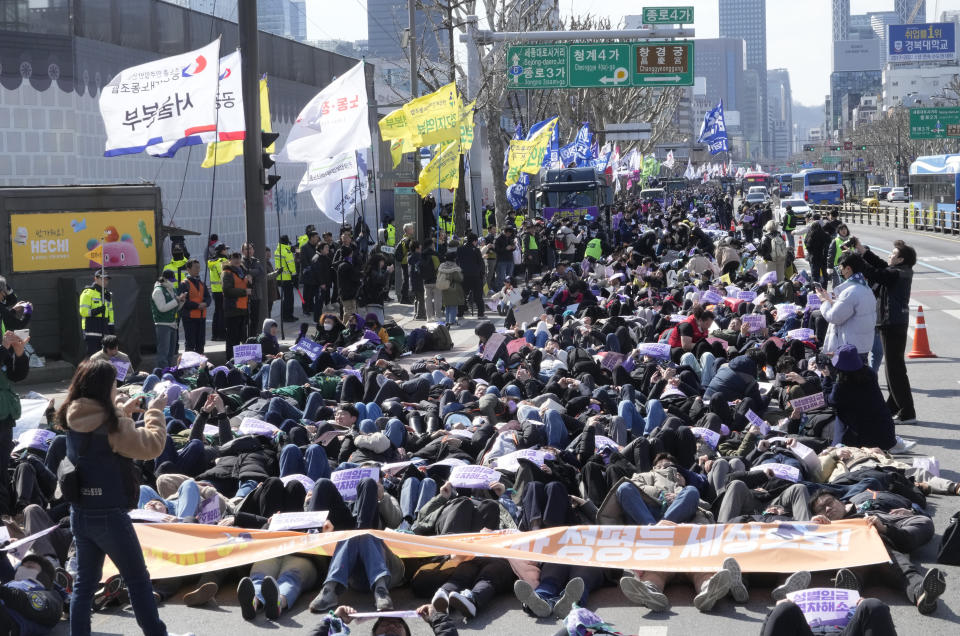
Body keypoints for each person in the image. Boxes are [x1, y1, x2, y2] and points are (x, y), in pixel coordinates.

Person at [60, 359, 188, 636]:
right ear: (105, 388)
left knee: (84, 584)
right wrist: (155, 413)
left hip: (80, 511)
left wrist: (122, 411)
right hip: (109, 514)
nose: (116, 389)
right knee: (138, 580)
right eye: (114, 385)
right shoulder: (113, 425)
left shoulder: (71, 412)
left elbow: (100, 424)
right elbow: (152, 446)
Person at [861, 240, 917, 425]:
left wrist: (857, 259)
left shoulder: (897, 274)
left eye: (893, 254)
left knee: (895, 370)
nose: (889, 256)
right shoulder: (900, 271)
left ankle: (907, 412)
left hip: (892, 323)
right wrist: (864, 252)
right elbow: (881, 266)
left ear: (900, 259)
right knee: (894, 368)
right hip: (894, 323)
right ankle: (893, 407)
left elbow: (876, 273)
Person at [816, 252, 877, 358]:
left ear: (848, 268)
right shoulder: (865, 288)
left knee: (849, 375)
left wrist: (823, 301)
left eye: (841, 268)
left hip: (850, 348)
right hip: (862, 345)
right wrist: (830, 301)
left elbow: (834, 317)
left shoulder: (850, 292)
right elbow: (849, 308)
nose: (840, 271)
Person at [0, 329, 28, 516]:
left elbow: (16, 375)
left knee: (2, 469)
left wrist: (19, 353)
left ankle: (5, 515)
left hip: (5, 417)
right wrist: (3, 347)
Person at [150, 270, 185, 370]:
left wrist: (181, 302)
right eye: (171, 280)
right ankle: (163, 374)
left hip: (172, 324)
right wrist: (177, 300)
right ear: (164, 279)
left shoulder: (172, 289)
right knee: (163, 353)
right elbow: (162, 308)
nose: (172, 282)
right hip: (162, 324)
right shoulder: (158, 290)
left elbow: (175, 308)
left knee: (171, 353)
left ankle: (169, 372)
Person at [178, 259, 210, 355]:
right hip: (189, 318)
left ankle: (201, 366)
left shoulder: (201, 283)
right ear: (188, 269)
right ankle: (190, 367)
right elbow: (183, 301)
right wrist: (197, 305)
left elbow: (208, 297)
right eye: (195, 267)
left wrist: (206, 303)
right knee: (190, 344)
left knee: (200, 343)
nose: (198, 269)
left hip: (201, 317)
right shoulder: (184, 284)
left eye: (199, 267)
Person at [221, 252, 251, 354]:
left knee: (241, 337)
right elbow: (227, 290)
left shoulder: (243, 271)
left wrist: (251, 281)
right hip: (233, 309)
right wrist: (244, 292)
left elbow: (249, 288)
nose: (237, 260)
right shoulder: (227, 273)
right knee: (232, 339)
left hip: (243, 309)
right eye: (234, 258)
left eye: (238, 258)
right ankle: (231, 360)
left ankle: (239, 360)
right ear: (230, 260)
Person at [78, 271, 114, 355]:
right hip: (91, 330)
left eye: (107, 279)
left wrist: (111, 328)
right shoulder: (87, 293)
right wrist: (98, 310)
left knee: (106, 357)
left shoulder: (107, 294)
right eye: (102, 279)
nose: (105, 281)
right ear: (96, 279)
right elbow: (83, 312)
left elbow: (110, 313)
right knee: (93, 358)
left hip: (105, 330)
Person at [242, 243, 266, 336]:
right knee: (245, 319)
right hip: (244, 295)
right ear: (243, 251)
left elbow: (262, 274)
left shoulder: (257, 261)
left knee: (255, 318)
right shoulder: (241, 262)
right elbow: (242, 272)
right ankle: (244, 338)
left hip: (256, 294)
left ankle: (253, 336)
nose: (249, 251)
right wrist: (250, 274)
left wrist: (250, 275)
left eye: (251, 249)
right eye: (246, 249)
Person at [207, 243, 229, 341]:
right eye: (225, 249)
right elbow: (225, 276)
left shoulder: (212, 262)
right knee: (222, 313)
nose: (227, 251)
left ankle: (214, 335)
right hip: (222, 290)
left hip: (215, 291)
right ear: (222, 251)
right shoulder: (223, 261)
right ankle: (222, 334)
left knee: (217, 312)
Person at [437, 251, 464, 326]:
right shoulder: (454, 267)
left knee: (447, 305)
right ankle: (452, 321)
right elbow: (459, 278)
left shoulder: (442, 266)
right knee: (453, 305)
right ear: (454, 258)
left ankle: (447, 320)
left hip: (444, 288)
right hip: (453, 288)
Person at [336, 245, 362, 320]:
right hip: (349, 294)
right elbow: (354, 277)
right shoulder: (347, 266)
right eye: (351, 254)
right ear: (349, 254)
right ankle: (347, 329)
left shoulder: (342, 264)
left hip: (345, 293)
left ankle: (343, 329)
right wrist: (362, 274)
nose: (352, 255)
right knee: (352, 315)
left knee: (347, 314)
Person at [276, 236, 297, 323]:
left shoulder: (277, 250)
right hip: (288, 278)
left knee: (285, 298)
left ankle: (285, 315)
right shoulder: (287, 252)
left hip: (280, 278)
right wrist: (295, 276)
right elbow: (291, 265)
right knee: (289, 298)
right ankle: (288, 316)